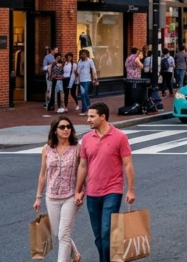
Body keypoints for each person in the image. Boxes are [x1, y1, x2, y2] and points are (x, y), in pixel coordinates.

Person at [75, 103, 135, 262]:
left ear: (103, 117)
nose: (88, 119)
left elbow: (128, 164)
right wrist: (78, 190)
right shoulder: (87, 139)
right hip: (92, 192)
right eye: (88, 116)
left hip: (112, 191)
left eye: (92, 116)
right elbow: (83, 166)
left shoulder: (120, 137)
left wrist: (131, 190)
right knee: (98, 235)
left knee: (107, 231)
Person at [34, 116, 82, 262]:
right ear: (55, 130)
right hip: (51, 196)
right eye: (62, 127)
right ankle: (75, 254)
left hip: (70, 196)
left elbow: (82, 170)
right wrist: (38, 197)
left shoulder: (77, 148)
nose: (66, 129)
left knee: (64, 234)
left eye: (68, 127)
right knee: (57, 233)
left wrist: (80, 191)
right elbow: (43, 173)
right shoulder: (46, 149)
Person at [76, 50, 99, 116]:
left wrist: (95, 78)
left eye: (84, 54)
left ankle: (86, 109)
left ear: (87, 55)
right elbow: (78, 72)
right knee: (83, 95)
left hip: (87, 80)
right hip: (81, 80)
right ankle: (86, 108)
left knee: (84, 93)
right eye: (82, 54)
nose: (83, 55)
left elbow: (93, 69)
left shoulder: (90, 61)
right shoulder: (79, 62)